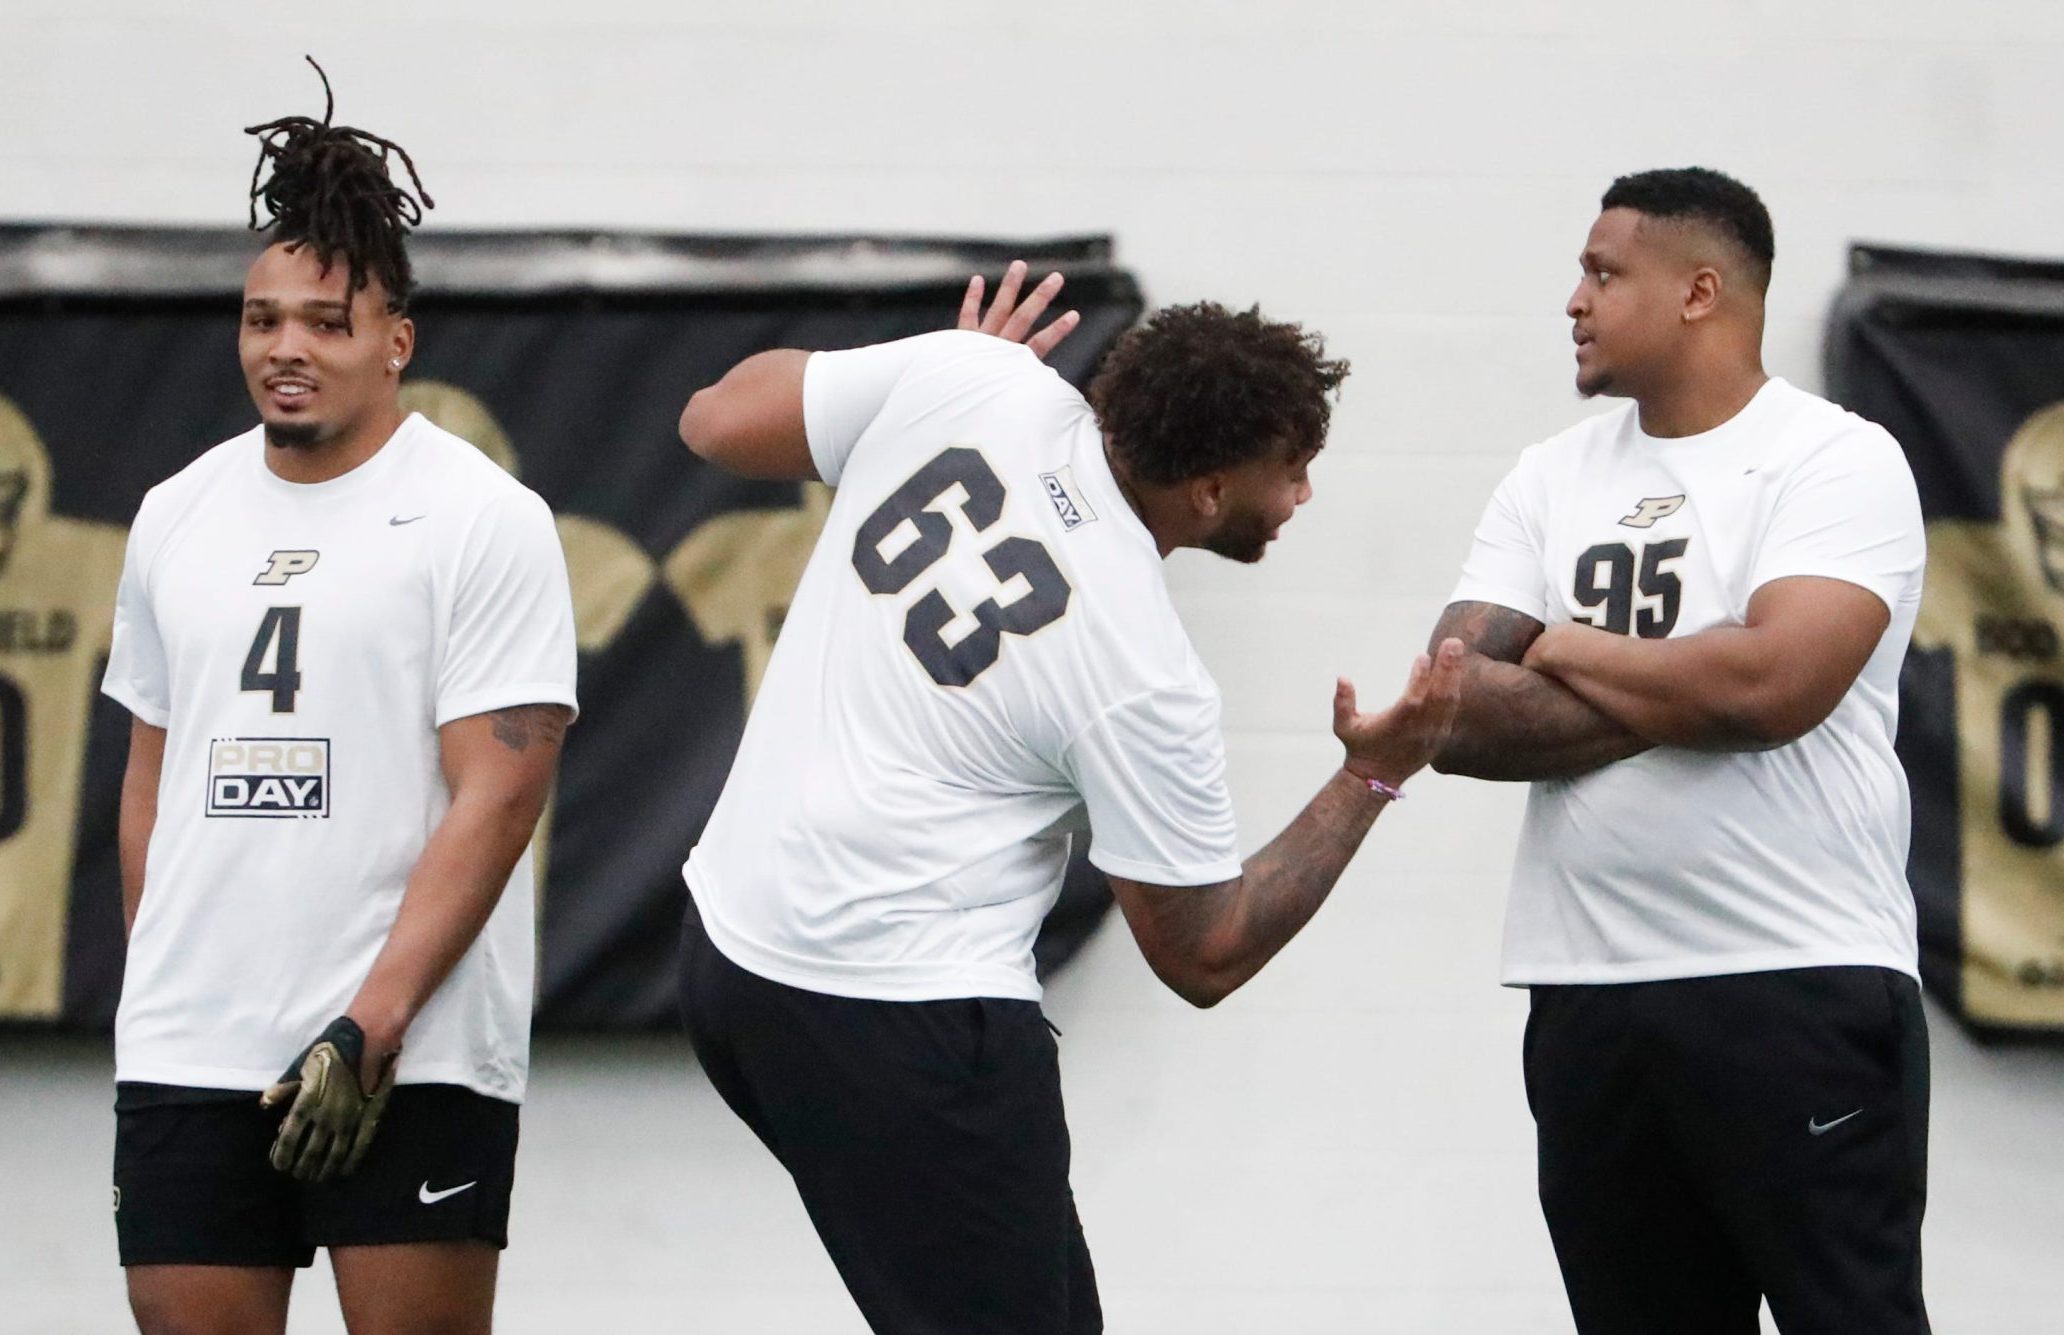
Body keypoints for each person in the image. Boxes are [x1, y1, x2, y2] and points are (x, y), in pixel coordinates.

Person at [673, 266, 1465, 1335]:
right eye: (1294, 472)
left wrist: (917, 380)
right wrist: (1374, 773)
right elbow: (1204, 953)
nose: (1304, 499)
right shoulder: (1143, 667)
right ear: (1210, 493)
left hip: (730, 958)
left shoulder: (978, 381)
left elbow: (713, 420)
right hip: (900, 1016)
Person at [101, 64, 578, 1335]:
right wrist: (164, 982)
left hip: (408, 1054)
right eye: (263, 320)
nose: (287, 350)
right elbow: (149, 778)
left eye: (325, 322)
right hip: (195, 1049)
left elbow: (502, 790)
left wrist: (373, 1023)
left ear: (395, 341)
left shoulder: (481, 516)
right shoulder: (176, 513)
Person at [1428, 167, 1932, 1334]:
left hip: (1794, 977)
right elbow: (1450, 707)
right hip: (1590, 993)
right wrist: (1693, 682)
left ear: (1701, 292)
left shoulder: (1834, 460)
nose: (1575, 300)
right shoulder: (1551, 475)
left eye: (1604, 275)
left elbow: (1773, 687)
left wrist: (1559, 643)